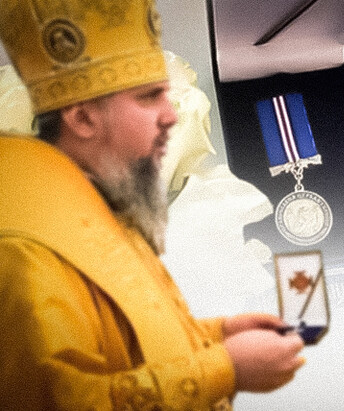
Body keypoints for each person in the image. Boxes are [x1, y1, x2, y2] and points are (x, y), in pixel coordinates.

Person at [0, 0, 305, 409]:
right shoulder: (24, 247)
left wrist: (217, 334)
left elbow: (126, 345)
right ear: (84, 119)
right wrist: (226, 368)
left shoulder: (104, 216)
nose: (171, 116)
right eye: (149, 97)